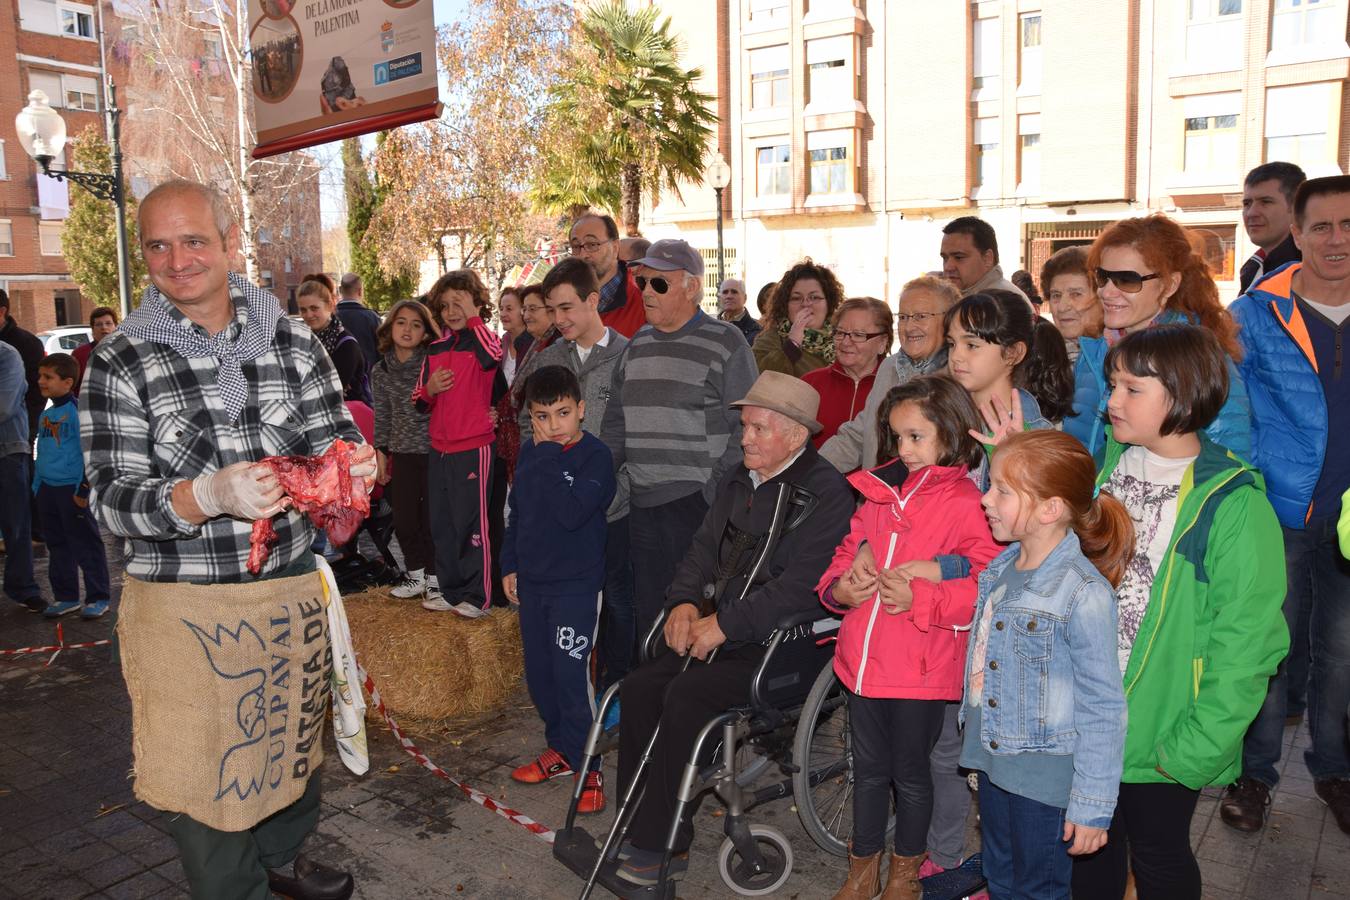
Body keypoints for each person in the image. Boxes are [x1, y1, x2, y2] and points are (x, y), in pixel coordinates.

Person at [80, 178, 368, 900]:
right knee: (206, 769)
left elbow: (336, 437)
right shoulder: (120, 359)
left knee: (292, 742)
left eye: (195, 240)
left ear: (230, 242)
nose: (178, 259)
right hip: (183, 606)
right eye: (159, 244)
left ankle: (283, 858)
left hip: (288, 585)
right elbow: (109, 499)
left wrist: (359, 464)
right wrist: (202, 497)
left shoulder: (293, 336)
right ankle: (230, 889)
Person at [1069, 325, 1287, 900]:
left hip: (1164, 728)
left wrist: (1196, 747)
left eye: (1131, 389)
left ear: (1184, 396)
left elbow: (1249, 642)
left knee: (1160, 854)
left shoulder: (1231, 500)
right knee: (1090, 850)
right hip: (1091, 712)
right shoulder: (1112, 463)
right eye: (1113, 384)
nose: (1112, 400)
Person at [611, 371, 854, 886]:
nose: (744, 438)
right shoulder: (738, 478)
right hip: (719, 630)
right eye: (745, 426)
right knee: (638, 686)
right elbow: (701, 550)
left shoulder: (827, 494)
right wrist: (680, 602)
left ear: (795, 434)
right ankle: (636, 825)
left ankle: (661, 845)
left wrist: (724, 623)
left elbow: (797, 589)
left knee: (686, 694)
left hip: (782, 646)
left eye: (757, 429)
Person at [818, 375, 1001, 900]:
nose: (904, 449)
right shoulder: (878, 494)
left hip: (921, 667)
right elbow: (847, 552)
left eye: (916, 437)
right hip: (864, 663)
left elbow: (987, 581)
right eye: (897, 436)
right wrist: (840, 590)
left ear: (949, 432)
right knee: (869, 773)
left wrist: (924, 600)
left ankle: (904, 874)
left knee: (912, 776)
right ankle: (862, 870)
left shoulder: (969, 500)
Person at [1224, 174, 1350, 835]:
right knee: (1270, 653)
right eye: (1323, 226)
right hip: (1277, 514)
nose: (1337, 239)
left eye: (1349, 225)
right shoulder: (1252, 315)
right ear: (1297, 234)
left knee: (1343, 654)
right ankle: (1256, 776)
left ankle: (1334, 770)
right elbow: (1231, 417)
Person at [963, 431, 1132, 899]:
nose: (985, 499)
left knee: (1038, 889)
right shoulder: (1001, 570)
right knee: (1000, 877)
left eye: (1001, 490)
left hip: (1045, 783)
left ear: (1049, 509)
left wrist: (1093, 804)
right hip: (996, 765)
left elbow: (1104, 706)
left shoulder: (1083, 592)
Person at [600, 238, 758, 636]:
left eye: (659, 284)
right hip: (643, 503)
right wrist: (598, 476)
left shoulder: (726, 341)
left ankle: (690, 696)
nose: (646, 292)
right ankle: (652, 692)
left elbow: (746, 423)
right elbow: (617, 422)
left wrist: (712, 492)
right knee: (650, 612)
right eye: (642, 283)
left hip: (696, 505)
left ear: (691, 287)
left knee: (696, 614)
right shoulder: (637, 344)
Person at [503, 365, 617, 813]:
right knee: (542, 679)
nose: (552, 426)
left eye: (562, 414)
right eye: (542, 416)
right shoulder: (530, 456)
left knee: (573, 681)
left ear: (582, 410)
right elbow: (518, 513)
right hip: (534, 585)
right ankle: (564, 752)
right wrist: (510, 564)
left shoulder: (595, 457)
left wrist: (548, 456)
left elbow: (572, 514)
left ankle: (590, 766)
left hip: (576, 586)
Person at [524, 257, 634, 689]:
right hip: (557, 508)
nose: (558, 319)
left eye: (566, 308)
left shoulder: (629, 354)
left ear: (593, 300)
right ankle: (573, 682)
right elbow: (525, 424)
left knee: (619, 601)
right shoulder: (548, 358)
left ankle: (618, 685)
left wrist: (600, 480)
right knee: (572, 602)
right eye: (551, 310)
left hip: (613, 505)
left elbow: (627, 431)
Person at [1064, 214, 1251, 459]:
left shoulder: (1196, 359)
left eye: (1127, 280)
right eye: (1102, 277)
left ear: (1170, 285)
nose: (1106, 291)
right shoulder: (1095, 350)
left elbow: (1229, 462)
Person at [414, 269, 502, 618]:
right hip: (440, 449)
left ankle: (478, 596)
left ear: (478, 304)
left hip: (474, 447)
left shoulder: (487, 340)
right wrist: (430, 389)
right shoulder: (435, 349)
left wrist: (474, 318)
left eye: (460, 303)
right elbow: (419, 402)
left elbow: (491, 359)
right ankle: (451, 591)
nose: (452, 311)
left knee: (472, 524)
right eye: (446, 305)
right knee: (444, 522)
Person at [820, 276, 959, 475]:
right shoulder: (890, 367)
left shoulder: (959, 374)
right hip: (879, 499)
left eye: (920, 316)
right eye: (903, 317)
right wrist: (810, 472)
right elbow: (860, 434)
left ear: (949, 320)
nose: (909, 327)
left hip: (933, 501)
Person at [32, 353, 111, 619]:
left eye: (48, 377)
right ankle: (66, 597)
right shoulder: (47, 415)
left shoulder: (78, 412)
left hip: (71, 490)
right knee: (57, 544)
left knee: (86, 544)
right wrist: (37, 485)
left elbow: (90, 453)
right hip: (47, 490)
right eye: (40, 376)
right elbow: (43, 451)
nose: (41, 381)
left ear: (67, 382)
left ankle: (98, 596)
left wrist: (83, 489)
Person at [945, 291, 1072, 456]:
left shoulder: (1035, 437)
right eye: (951, 344)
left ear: (1013, 353)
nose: (955, 356)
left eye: (971, 345)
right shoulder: (941, 415)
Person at [372, 299, 439, 603]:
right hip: (402, 453)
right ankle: (416, 574)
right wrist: (381, 452)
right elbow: (382, 415)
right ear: (390, 326)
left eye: (416, 324)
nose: (407, 329)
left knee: (431, 519)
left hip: (435, 450)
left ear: (426, 332)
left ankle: (436, 578)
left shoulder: (433, 362)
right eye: (401, 322)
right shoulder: (381, 369)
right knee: (404, 519)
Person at [802, 297, 892, 446]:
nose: (845, 342)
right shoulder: (810, 384)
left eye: (858, 335)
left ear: (882, 343)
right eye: (840, 333)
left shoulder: (897, 388)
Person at [0, 341, 43, 613]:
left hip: (8, 452)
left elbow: (3, 406)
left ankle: (22, 587)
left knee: (16, 526)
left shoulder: (7, 355)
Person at [753, 260, 845, 376]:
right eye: (796, 298)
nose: (806, 304)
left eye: (814, 297)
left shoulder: (845, 337)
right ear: (785, 305)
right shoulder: (771, 339)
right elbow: (760, 377)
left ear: (828, 303)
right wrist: (792, 345)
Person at [569, 213, 647, 337]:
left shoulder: (645, 304)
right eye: (576, 246)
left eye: (592, 244)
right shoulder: (561, 305)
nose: (583, 255)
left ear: (615, 248)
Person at [297, 277, 371, 404]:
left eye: (314, 308)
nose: (308, 315)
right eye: (303, 310)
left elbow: (326, 396)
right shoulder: (300, 341)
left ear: (330, 306)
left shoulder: (346, 345)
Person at [1239, 161, 1305, 295]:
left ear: (1295, 207)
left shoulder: (1310, 270)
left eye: (1265, 202)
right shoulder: (1253, 267)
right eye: (1247, 203)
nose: (1252, 213)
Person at [939, 217, 1030, 301]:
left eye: (959, 257)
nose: (948, 267)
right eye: (945, 258)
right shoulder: (956, 297)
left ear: (987, 258)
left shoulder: (1003, 303)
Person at [1040, 247, 1103, 364]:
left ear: (1103, 298)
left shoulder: (1123, 358)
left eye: (1076, 294)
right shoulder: (1039, 359)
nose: (1062, 307)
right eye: (1056, 295)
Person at [0, 288, 45, 445]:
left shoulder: (27, 344)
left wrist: (29, 429)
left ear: (2, 312)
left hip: (15, 438)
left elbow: (38, 390)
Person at [336, 272, 382, 371]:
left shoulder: (330, 318)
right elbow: (383, 351)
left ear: (340, 290)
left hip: (337, 379)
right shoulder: (372, 318)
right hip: (367, 379)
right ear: (360, 291)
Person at [73, 305, 120, 392]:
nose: (104, 327)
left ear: (116, 326)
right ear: (92, 329)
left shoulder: (126, 352)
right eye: (98, 324)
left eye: (108, 323)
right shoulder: (79, 354)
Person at [497, 286, 530, 388]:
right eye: (501, 309)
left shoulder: (534, 344)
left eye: (509, 309)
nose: (502, 314)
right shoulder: (500, 345)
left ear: (524, 311)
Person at [718, 277, 761, 345]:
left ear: (745, 298)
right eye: (725, 292)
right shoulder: (710, 326)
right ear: (720, 298)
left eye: (734, 292)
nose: (729, 296)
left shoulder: (756, 331)